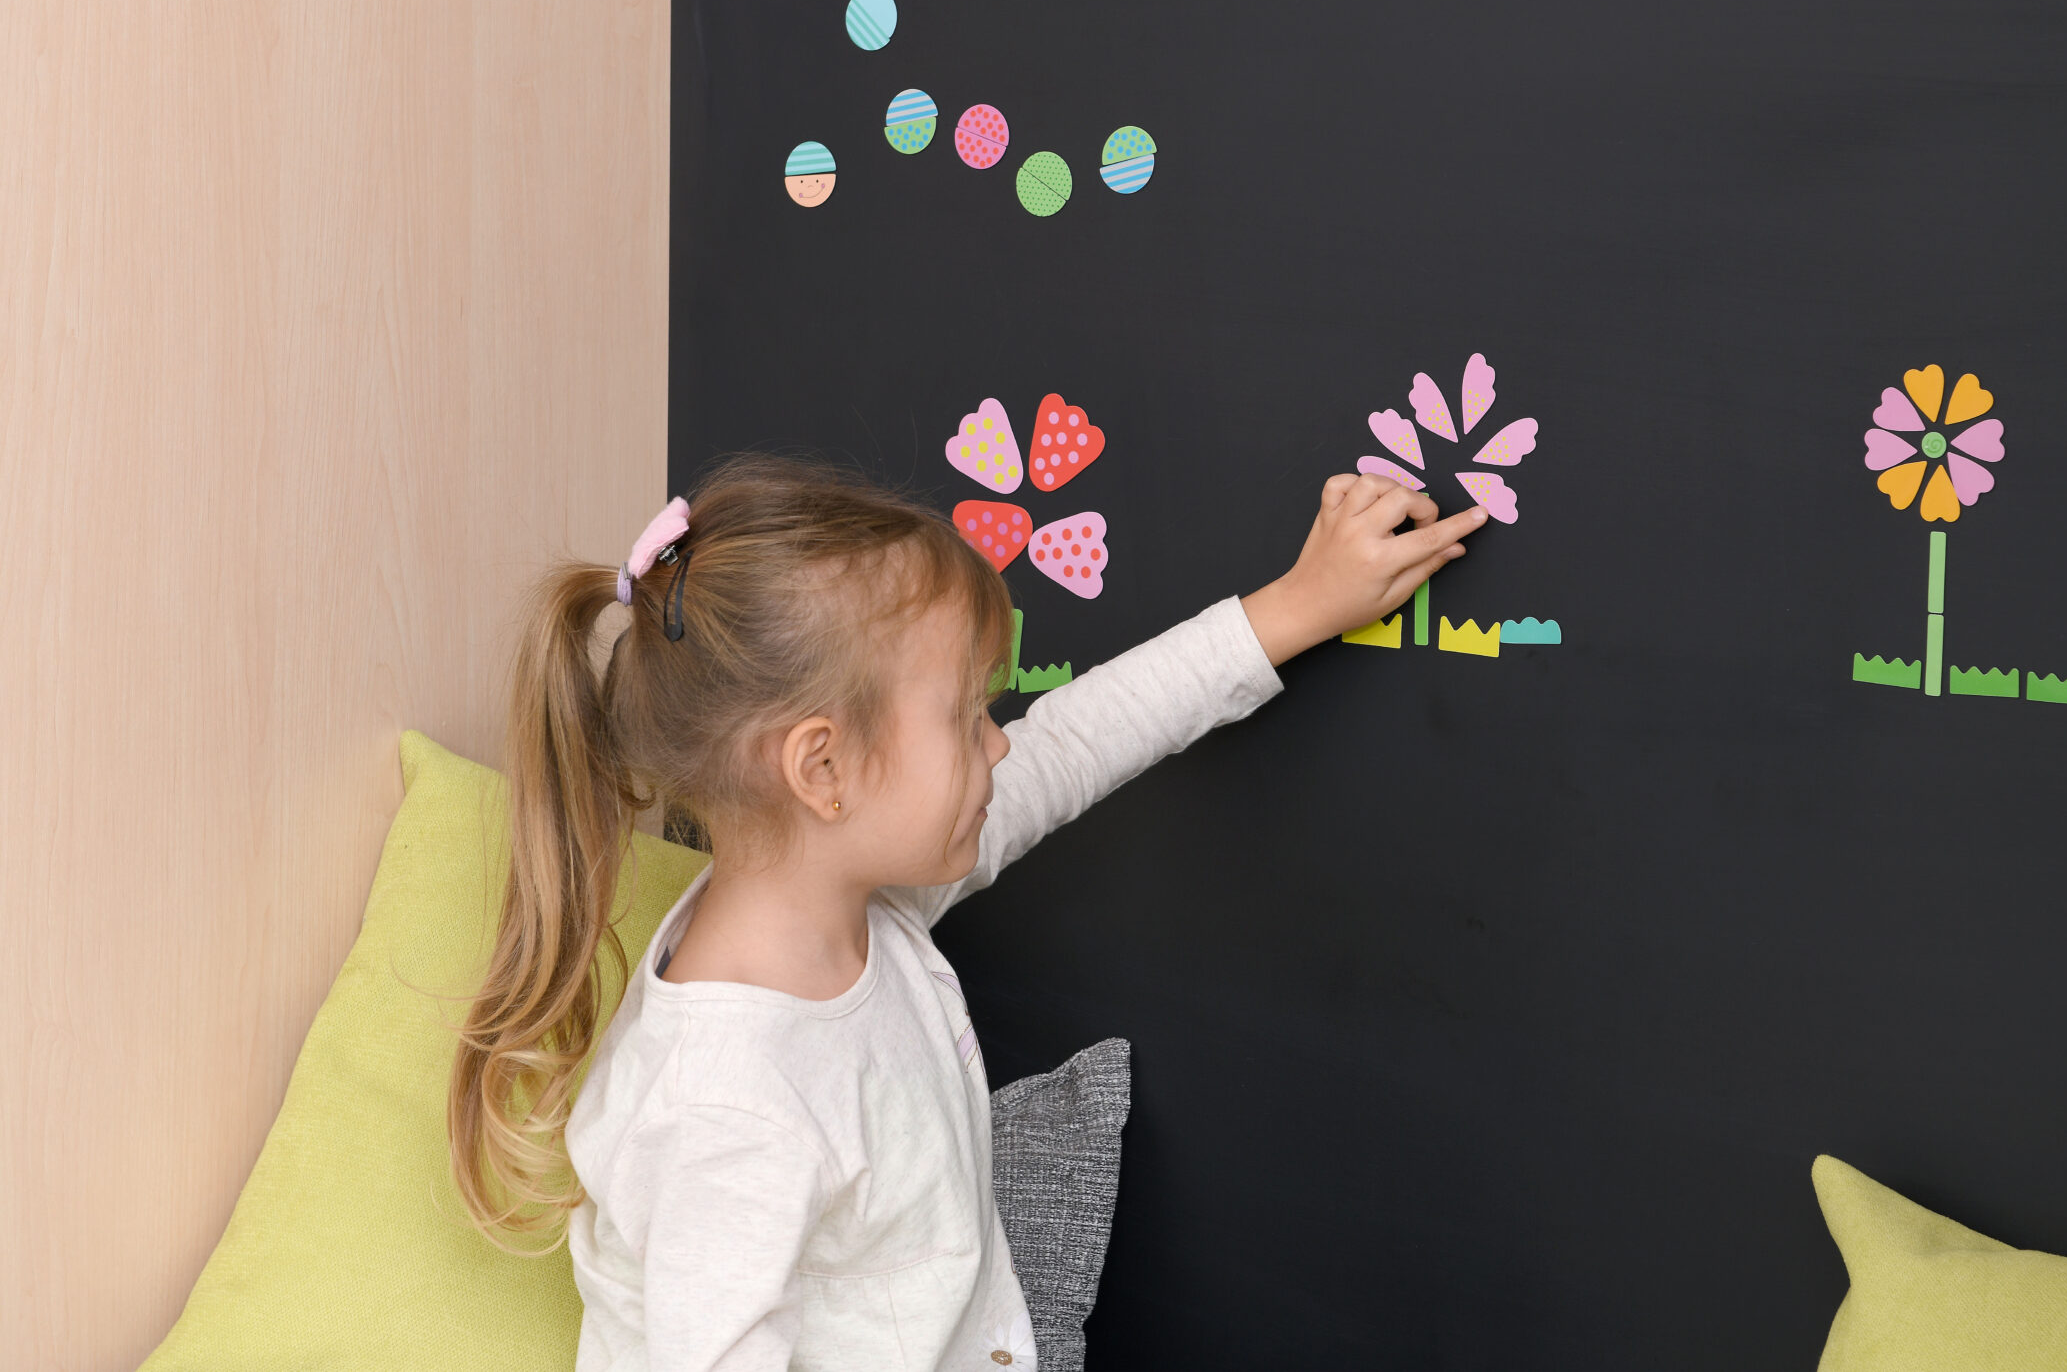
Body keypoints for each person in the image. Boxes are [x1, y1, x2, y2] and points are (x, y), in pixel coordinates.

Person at [447, 452, 1483, 1370]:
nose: (999, 743)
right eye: (966, 715)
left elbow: (1074, 743)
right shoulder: (727, 1109)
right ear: (822, 769)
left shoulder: (857, 900)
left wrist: (1300, 604)